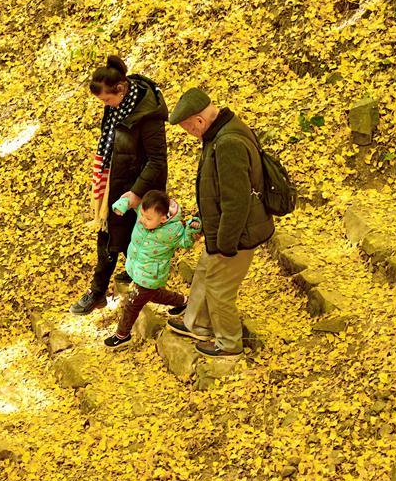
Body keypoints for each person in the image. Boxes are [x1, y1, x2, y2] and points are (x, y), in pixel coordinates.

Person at [165, 88, 275, 356]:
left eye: (189, 128)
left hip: (237, 233)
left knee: (218, 288)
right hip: (225, 228)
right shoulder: (222, 133)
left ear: (199, 121)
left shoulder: (228, 144)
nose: (190, 133)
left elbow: (236, 202)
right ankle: (197, 324)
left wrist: (225, 244)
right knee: (204, 271)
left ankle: (229, 344)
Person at [69, 56, 169, 315]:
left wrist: (135, 194)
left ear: (121, 89)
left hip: (137, 187)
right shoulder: (119, 105)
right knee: (114, 236)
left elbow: (158, 161)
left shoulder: (148, 115)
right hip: (115, 179)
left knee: (118, 237)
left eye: (106, 100)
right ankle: (109, 286)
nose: (105, 105)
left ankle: (99, 290)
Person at [104, 190, 202, 349]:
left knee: (133, 304)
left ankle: (122, 335)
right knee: (153, 294)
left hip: (151, 274)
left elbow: (185, 242)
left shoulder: (173, 230)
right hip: (138, 268)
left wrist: (192, 229)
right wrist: (122, 204)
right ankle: (184, 302)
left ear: (163, 218)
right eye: (142, 215)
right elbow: (131, 201)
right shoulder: (144, 212)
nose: (142, 220)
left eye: (148, 218)